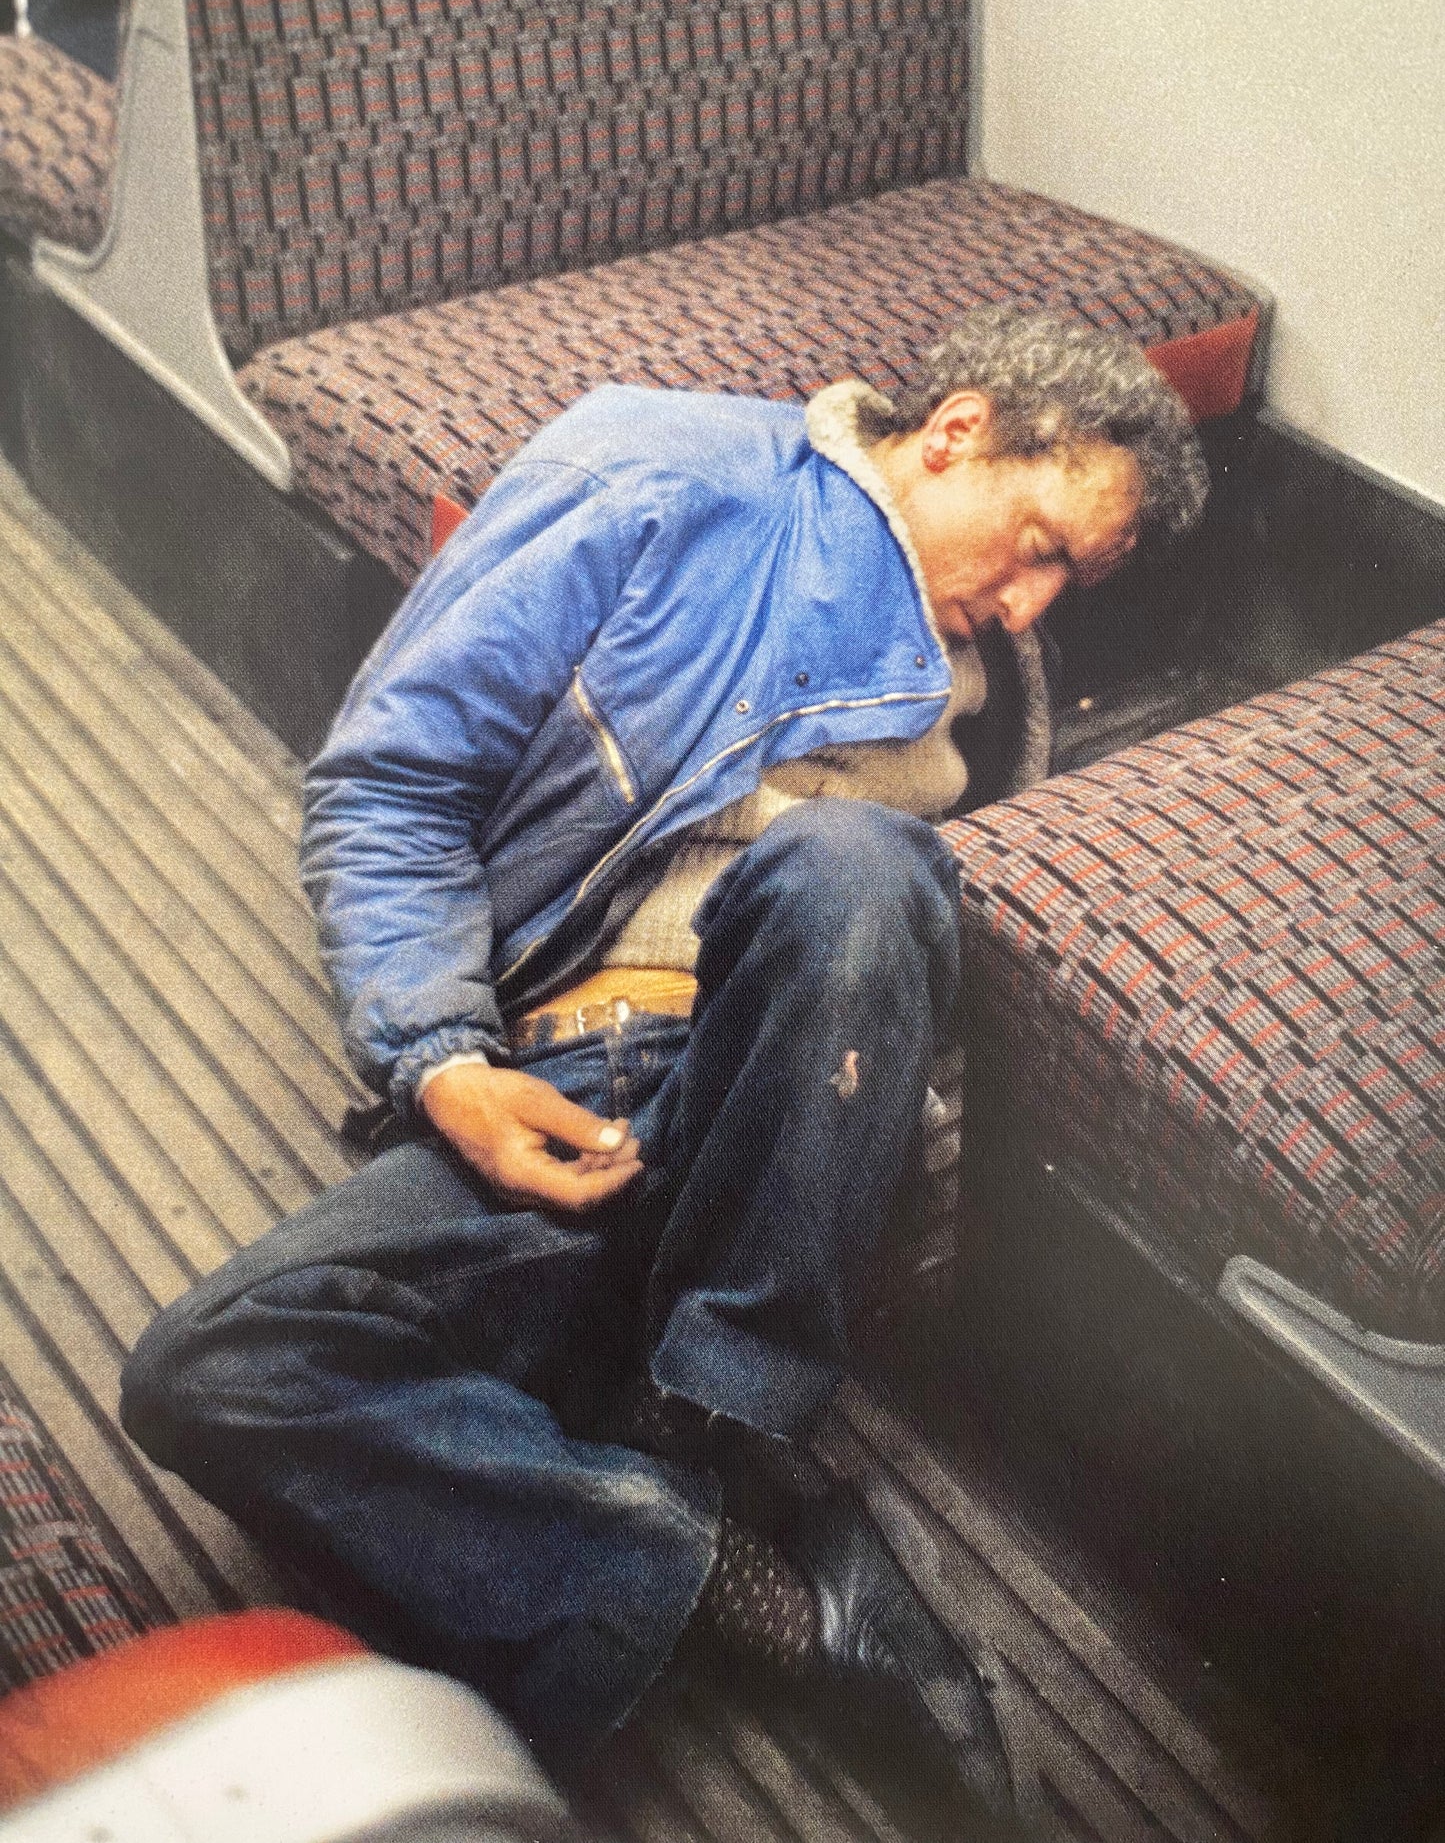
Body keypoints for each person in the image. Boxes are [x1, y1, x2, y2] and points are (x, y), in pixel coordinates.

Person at [120, 306, 1207, 1819]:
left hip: (797, 1110)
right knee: (208, 1365)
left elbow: (885, 948)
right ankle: (752, 1576)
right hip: (564, 1085)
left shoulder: (999, 691)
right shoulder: (656, 470)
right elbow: (388, 786)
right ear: (955, 430)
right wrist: (443, 1064)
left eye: (1066, 582)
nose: (1029, 608)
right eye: (1035, 547)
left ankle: (708, 1413)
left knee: (851, 862)